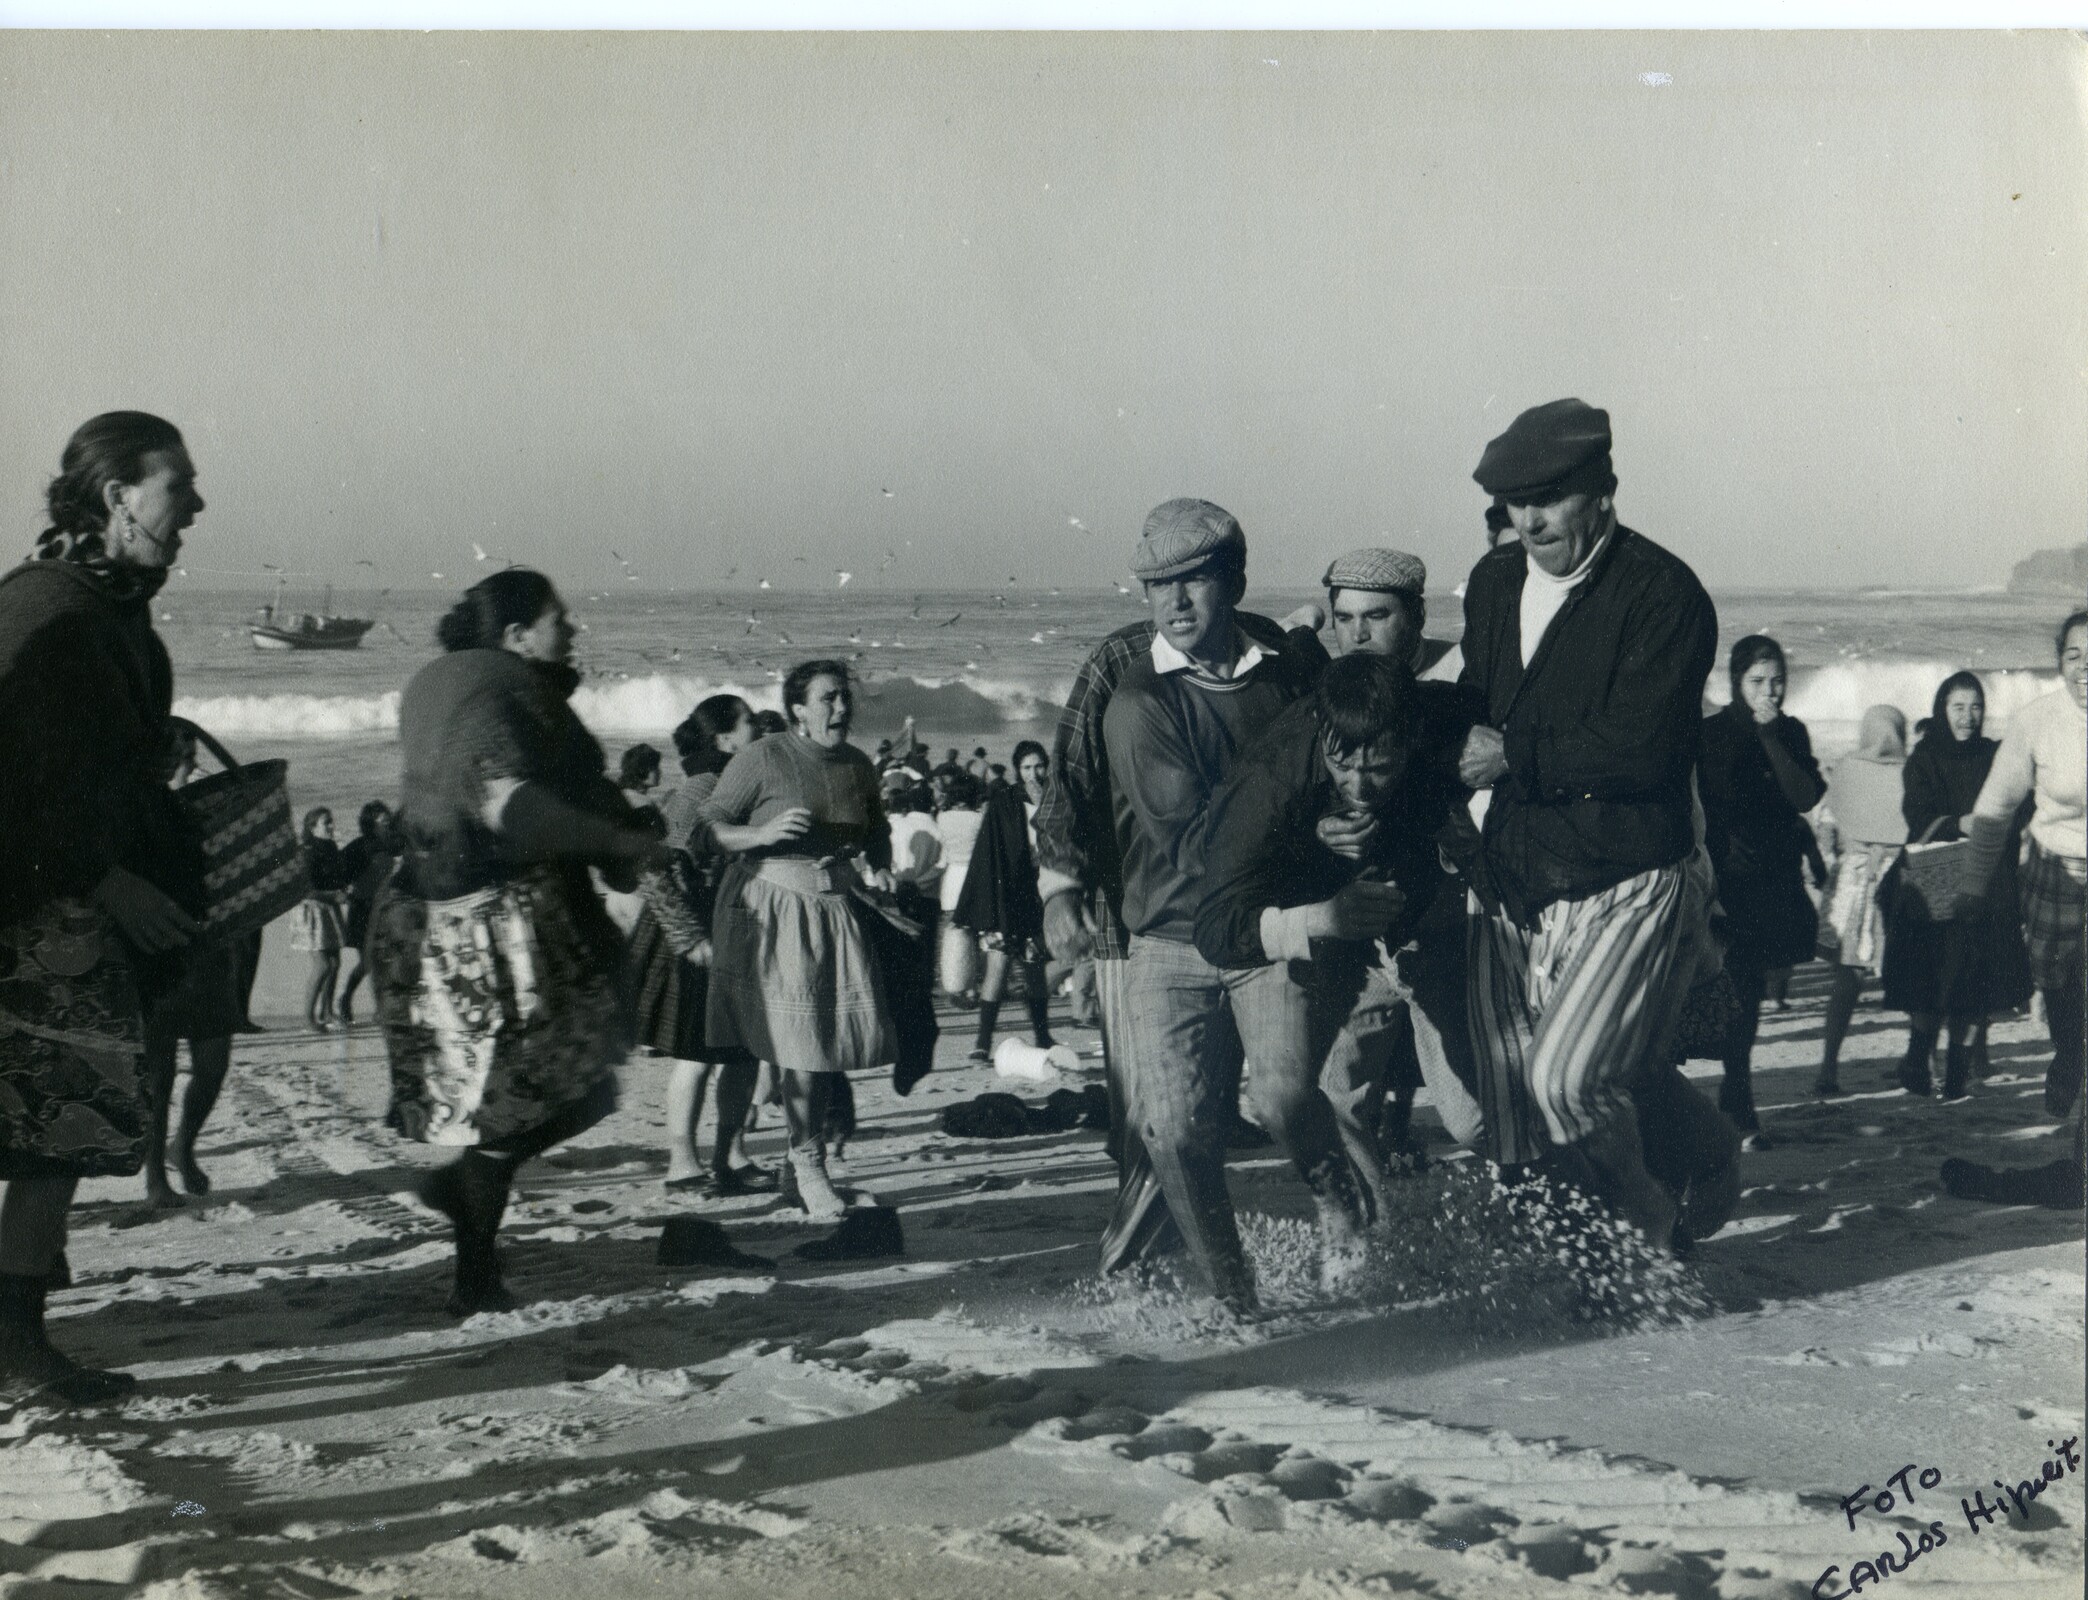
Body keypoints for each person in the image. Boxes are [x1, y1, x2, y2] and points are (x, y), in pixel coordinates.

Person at [1456, 399, 1717, 1250]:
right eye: (1515, 503)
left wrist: (1510, 758)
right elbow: (1473, 708)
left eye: (1551, 498)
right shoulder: (1496, 583)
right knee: (1508, 1110)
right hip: (1514, 877)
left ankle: (1650, 1218)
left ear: (1603, 491)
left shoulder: (1665, 593)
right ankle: (1569, 1263)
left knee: (1565, 1080)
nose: (1529, 519)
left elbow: (1646, 747)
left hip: (1630, 874)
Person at [371, 568, 665, 1316]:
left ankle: (471, 1241)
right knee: (556, 1097)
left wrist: (619, 836)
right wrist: (614, 838)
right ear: (515, 634)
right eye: (558, 619)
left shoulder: (451, 682)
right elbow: (509, 800)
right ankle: (471, 1258)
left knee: (540, 1100)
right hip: (495, 924)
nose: (572, 630)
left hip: (435, 914)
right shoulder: (499, 688)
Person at [1034, 539, 1324, 1285]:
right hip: (1134, 921)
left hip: (1258, 920)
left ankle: (1143, 1265)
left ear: (1231, 583)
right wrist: (1058, 888)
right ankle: (1136, 1266)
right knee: (1153, 1121)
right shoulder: (1120, 662)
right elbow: (1069, 777)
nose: (1175, 600)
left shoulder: (1277, 657)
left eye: (1192, 580)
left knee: (1247, 1105)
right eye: (1156, 583)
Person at [1, 410, 206, 1403]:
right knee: (48, 1131)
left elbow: (80, 759)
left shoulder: (104, 603)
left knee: (55, 1133)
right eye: (180, 487)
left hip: (64, 915)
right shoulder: (52, 604)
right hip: (36, 911)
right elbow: (12, 780)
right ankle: (15, 1337)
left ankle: (17, 1330)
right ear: (120, 493)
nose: (196, 506)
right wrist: (102, 875)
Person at [1195, 653, 1487, 1285]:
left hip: (1418, 920)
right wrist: (1320, 909)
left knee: (1471, 1117)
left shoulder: (1442, 714)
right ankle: (1350, 1220)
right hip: (1310, 922)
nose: (1358, 785)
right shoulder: (1271, 775)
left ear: (1410, 738)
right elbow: (1215, 927)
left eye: (1379, 768)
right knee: (1294, 1095)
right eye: (1341, 766)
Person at [698, 659, 896, 1222]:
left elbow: (876, 832)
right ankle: (808, 1169)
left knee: (825, 1045)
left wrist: (880, 867)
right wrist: (759, 833)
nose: (841, 708)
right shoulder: (763, 757)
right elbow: (705, 827)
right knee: (804, 1048)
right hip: (770, 908)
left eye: (845, 699)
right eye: (829, 698)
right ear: (798, 710)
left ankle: (794, 1172)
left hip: (836, 909)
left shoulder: (858, 765)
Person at [1314, 547, 1477, 1174]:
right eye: (1344, 618)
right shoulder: (1330, 691)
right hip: (1360, 933)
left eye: (1376, 616)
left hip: (1445, 932)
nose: (1357, 633)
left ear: (1415, 615)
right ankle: (1369, 1236)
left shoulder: (1460, 687)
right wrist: (1322, 830)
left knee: (1473, 1117)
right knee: (1338, 1098)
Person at [1941, 611, 2087, 1210]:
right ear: (2060, 661)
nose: (2087, 667)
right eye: (2076, 654)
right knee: (2060, 988)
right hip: (2053, 870)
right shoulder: (2038, 721)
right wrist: (1972, 890)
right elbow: (1995, 810)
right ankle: (2068, 1052)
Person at [635, 694, 774, 1198]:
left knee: (742, 1054)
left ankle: (731, 1156)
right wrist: (689, 938)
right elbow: (652, 869)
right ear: (724, 738)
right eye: (749, 722)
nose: (759, 728)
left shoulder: (736, 783)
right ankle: (682, 1163)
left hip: (734, 931)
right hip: (698, 937)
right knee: (696, 1055)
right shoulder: (701, 788)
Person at [1697, 636, 1826, 1135]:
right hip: (1723, 874)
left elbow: (1804, 798)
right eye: (1758, 682)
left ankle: (1738, 1084)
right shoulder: (1709, 734)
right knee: (1727, 982)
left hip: (1771, 876)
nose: (1769, 692)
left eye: (1778, 682)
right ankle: (1735, 1085)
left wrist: (1771, 738)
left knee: (1749, 985)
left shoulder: (1791, 732)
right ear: (1736, 682)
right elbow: (1696, 804)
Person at [1882, 672, 2032, 1098]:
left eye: (1976, 707)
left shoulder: (1997, 754)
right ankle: (1918, 1054)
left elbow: (2021, 801)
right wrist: (1963, 823)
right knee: (1929, 983)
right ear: (1942, 709)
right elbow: (1916, 816)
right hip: (1934, 882)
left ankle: (1956, 1073)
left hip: (1988, 880)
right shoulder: (1924, 758)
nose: (1968, 717)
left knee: (1974, 982)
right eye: (1958, 707)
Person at [1811, 705, 1910, 1095]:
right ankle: (1919, 1061)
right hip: (1896, 882)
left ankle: (1828, 1067)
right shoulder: (1910, 773)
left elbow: (1827, 829)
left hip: (1854, 886)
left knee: (1847, 982)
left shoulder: (1847, 769)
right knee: (1909, 978)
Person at [954, 740, 1055, 1063]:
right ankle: (982, 1042)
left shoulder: (1056, 800)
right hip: (1007, 896)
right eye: (1026, 767)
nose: (1033, 774)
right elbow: (987, 855)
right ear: (1016, 769)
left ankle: (1043, 1036)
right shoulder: (1004, 802)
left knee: (1035, 968)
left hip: (1040, 894)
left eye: (1039, 766)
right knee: (997, 967)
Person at [336, 800, 401, 1028]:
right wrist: (342, 890)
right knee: (367, 962)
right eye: (380, 818)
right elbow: (337, 868)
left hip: (385, 908)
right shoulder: (360, 846)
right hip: (362, 909)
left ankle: (380, 1010)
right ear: (370, 822)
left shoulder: (392, 843)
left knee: (382, 960)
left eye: (386, 817)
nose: (385, 821)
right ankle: (346, 999)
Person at [291, 807, 349, 1032]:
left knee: (335, 963)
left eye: (332, 822)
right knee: (322, 965)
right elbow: (303, 890)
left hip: (329, 907)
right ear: (312, 827)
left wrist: (343, 889)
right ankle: (308, 1018)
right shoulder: (305, 851)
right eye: (327, 823)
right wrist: (334, 895)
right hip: (311, 910)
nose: (332, 826)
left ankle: (326, 1012)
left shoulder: (331, 846)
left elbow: (334, 877)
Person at [932, 764, 986, 1004]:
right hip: (975, 881)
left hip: (951, 881)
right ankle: (974, 987)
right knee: (977, 938)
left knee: (955, 938)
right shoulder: (978, 819)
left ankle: (956, 985)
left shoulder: (942, 818)